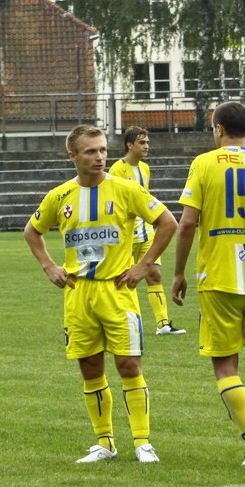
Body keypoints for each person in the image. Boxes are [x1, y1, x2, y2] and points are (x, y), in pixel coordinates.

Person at [24, 125, 177, 464]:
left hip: (117, 290)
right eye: (91, 151)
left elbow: (168, 222)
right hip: (78, 293)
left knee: (128, 364)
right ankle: (105, 443)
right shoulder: (60, 196)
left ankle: (142, 442)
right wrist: (50, 267)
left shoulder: (125, 189)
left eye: (103, 150)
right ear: (73, 156)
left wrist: (144, 265)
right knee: (90, 367)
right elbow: (32, 231)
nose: (99, 157)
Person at [171, 101, 245, 467]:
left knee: (225, 365)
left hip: (218, 277)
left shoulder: (204, 164)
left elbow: (188, 222)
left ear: (219, 128)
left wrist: (178, 272)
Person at [108, 126, 186, 335]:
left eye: (148, 142)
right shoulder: (117, 170)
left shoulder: (145, 168)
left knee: (154, 274)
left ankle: (163, 324)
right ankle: (117, 322)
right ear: (129, 145)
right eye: (142, 142)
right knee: (121, 277)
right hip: (127, 234)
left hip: (147, 231)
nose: (146, 146)